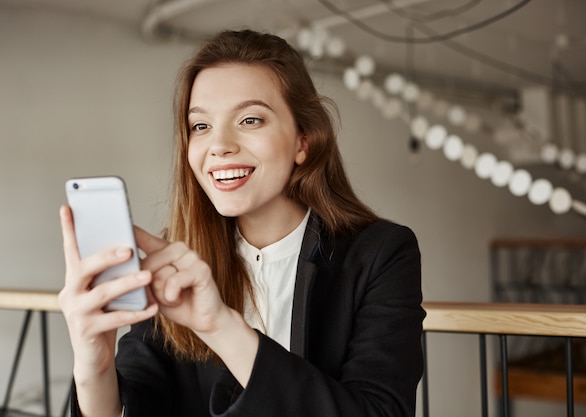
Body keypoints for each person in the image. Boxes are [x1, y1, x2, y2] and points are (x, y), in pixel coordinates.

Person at [58, 29, 425, 417]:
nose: (219, 145)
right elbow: (139, 404)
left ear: (303, 140)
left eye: (250, 120)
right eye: (200, 126)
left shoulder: (380, 253)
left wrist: (221, 326)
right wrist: (93, 364)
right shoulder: (178, 262)